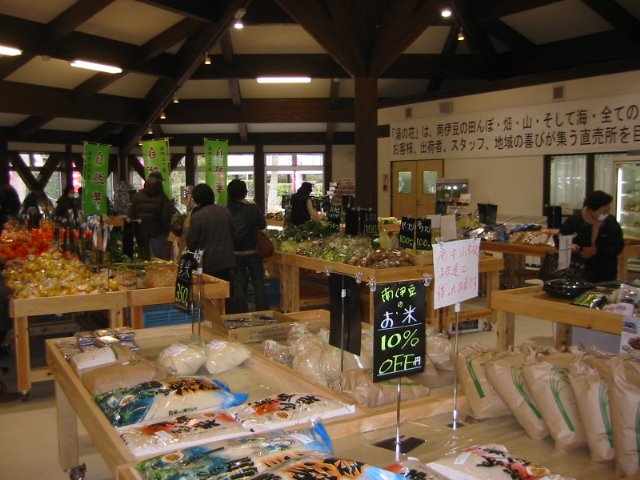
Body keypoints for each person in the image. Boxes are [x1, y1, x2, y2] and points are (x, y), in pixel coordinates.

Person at [558, 190, 624, 283]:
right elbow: (560, 238)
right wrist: (569, 245)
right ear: (591, 210)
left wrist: (596, 250)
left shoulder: (611, 223)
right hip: (577, 272)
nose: (606, 213)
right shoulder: (574, 221)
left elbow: (618, 246)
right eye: (604, 211)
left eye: (608, 210)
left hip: (605, 273)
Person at [226, 179, 269, 313]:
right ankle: (263, 313)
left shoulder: (225, 210)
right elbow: (262, 225)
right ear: (245, 193)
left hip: (235, 253)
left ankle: (240, 314)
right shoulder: (252, 208)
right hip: (252, 251)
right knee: (258, 282)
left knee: (238, 284)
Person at [186, 184, 235, 282]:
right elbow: (233, 232)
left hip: (205, 262)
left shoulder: (197, 216)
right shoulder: (224, 211)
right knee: (224, 290)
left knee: (208, 292)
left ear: (197, 199)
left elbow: (191, 242)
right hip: (226, 259)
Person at [128, 172, 173, 259]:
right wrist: (167, 229)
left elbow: (130, 215)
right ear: (160, 184)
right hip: (158, 233)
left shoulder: (137, 196)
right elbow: (166, 217)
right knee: (159, 262)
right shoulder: (163, 198)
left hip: (141, 233)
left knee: (143, 261)